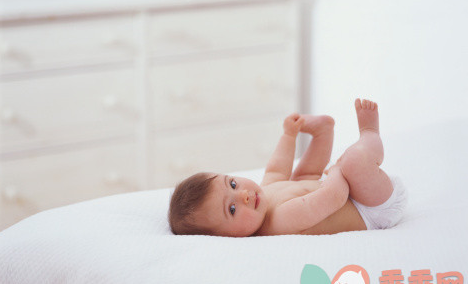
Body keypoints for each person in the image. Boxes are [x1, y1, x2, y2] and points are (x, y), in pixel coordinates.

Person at [168, 99, 407, 237]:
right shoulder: (281, 221)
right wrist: (336, 171)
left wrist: (289, 135)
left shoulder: (263, 196)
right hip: (371, 208)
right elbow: (334, 196)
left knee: (302, 176)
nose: (244, 195)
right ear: (226, 238)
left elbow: (276, 169)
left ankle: (323, 131)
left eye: (232, 184)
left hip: (343, 192)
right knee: (353, 162)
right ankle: (369, 133)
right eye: (231, 209)